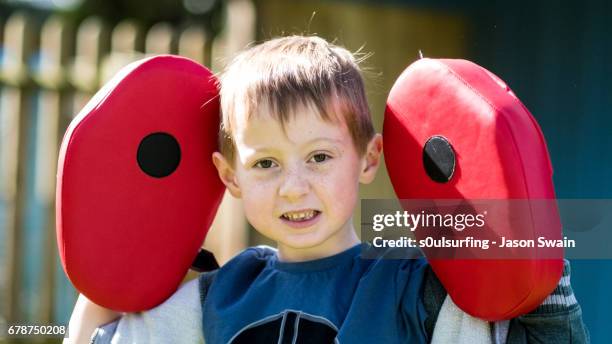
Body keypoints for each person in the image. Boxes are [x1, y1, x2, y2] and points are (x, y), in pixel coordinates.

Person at [65, 35, 588, 344]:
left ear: (368, 159)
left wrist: (533, 255)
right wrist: (112, 277)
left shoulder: (411, 290)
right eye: (266, 162)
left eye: (319, 157)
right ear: (231, 177)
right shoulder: (214, 296)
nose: (294, 188)